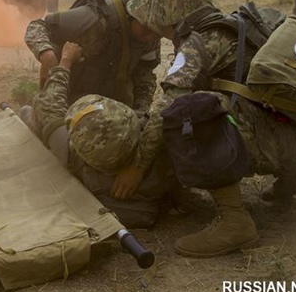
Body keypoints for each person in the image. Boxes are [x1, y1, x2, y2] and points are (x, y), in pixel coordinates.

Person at [111, 0, 296, 257]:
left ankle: (234, 221)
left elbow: (166, 110)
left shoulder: (197, 44)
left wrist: (137, 167)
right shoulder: (242, 28)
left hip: (282, 145)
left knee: (191, 112)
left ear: (173, 18)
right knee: (242, 103)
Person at [21, 41, 197, 229]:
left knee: (27, 112)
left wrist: (65, 61)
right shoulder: (165, 155)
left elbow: (49, 107)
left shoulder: (73, 157)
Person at [24, 0, 162, 118]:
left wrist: (140, 111)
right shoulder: (97, 21)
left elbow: (145, 74)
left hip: (114, 114)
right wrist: (47, 55)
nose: (150, 37)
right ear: (133, 15)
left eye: (157, 34)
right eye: (146, 30)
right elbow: (38, 26)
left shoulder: (149, 36)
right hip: (70, 105)